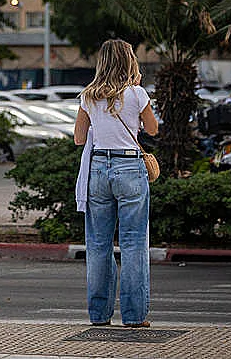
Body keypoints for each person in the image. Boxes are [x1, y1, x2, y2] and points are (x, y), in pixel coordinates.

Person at [73, 39, 159, 327]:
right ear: (129, 62)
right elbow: (153, 129)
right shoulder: (136, 93)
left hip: (98, 169)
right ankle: (134, 316)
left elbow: (79, 138)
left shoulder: (88, 96)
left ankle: (99, 315)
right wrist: (136, 89)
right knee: (134, 243)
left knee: (98, 244)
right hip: (129, 168)